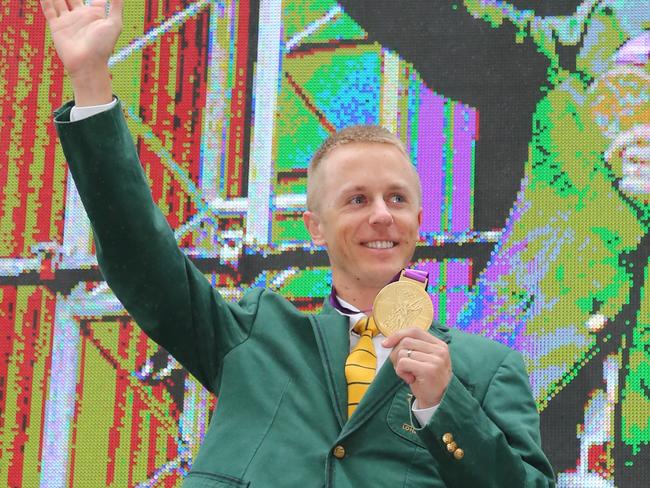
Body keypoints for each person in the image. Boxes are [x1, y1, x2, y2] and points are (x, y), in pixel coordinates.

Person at [41, 0, 555, 485]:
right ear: (315, 226)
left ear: (418, 221)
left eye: (397, 199)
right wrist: (89, 79)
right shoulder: (254, 335)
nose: (381, 215)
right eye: (357, 200)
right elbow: (139, 255)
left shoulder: (485, 370)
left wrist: (444, 405)